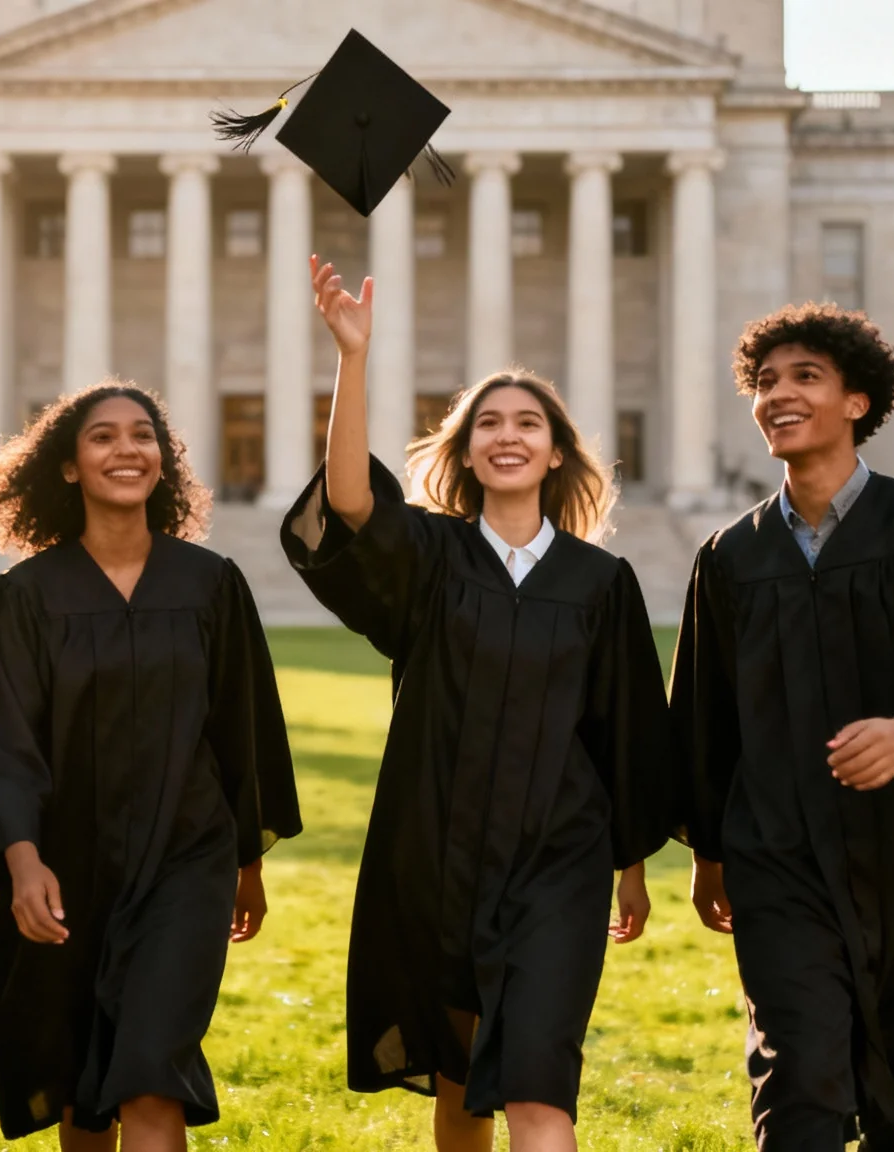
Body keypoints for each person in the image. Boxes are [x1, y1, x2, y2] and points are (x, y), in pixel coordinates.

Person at [282, 257, 671, 1152]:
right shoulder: (432, 557)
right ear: (462, 452)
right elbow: (348, 504)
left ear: (557, 450)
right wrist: (353, 357)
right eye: (487, 424)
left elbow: (624, 724)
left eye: (527, 423)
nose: (507, 436)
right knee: (459, 1089)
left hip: (557, 860)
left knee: (539, 1089)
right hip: (439, 853)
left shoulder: (599, 583)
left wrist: (631, 864)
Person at [669, 303, 894, 1152]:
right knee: (800, 1082)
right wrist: (709, 852)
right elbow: (704, 715)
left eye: (806, 377)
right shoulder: (730, 557)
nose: (778, 395)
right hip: (779, 854)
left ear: (858, 401)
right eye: (765, 382)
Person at [0, 382, 301, 1149]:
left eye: (142, 436)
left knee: (151, 1071)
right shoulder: (26, 598)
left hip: (187, 861)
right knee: (84, 1090)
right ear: (70, 467)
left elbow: (241, 731)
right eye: (103, 437)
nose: (126, 450)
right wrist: (21, 861)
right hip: (66, 863)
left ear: (164, 462)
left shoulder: (210, 586)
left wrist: (247, 864)